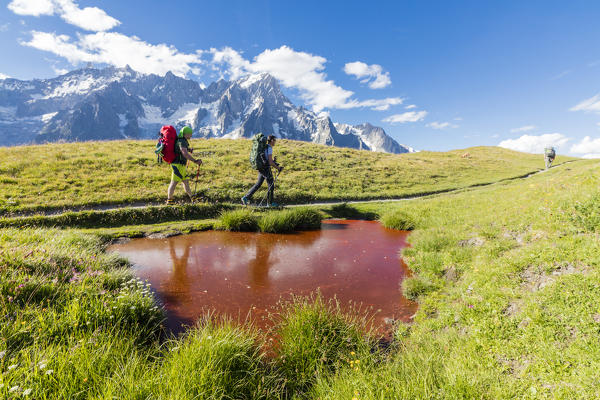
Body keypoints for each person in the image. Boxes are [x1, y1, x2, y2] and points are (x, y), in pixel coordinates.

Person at [242, 135, 283, 207]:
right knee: (271, 185)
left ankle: (246, 197)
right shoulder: (269, 148)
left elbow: (267, 160)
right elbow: (270, 162)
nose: (275, 142)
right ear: (272, 140)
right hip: (266, 169)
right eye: (275, 140)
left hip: (261, 168)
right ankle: (270, 203)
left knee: (258, 184)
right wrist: (278, 168)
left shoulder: (264, 147)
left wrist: (274, 162)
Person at [166, 126, 202, 205]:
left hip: (180, 165)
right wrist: (195, 161)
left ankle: (193, 198)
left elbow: (181, 149)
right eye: (190, 134)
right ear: (186, 134)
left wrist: (188, 149)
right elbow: (184, 153)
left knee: (186, 182)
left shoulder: (181, 140)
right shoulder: (182, 141)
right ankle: (169, 201)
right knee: (174, 183)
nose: (191, 135)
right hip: (178, 165)